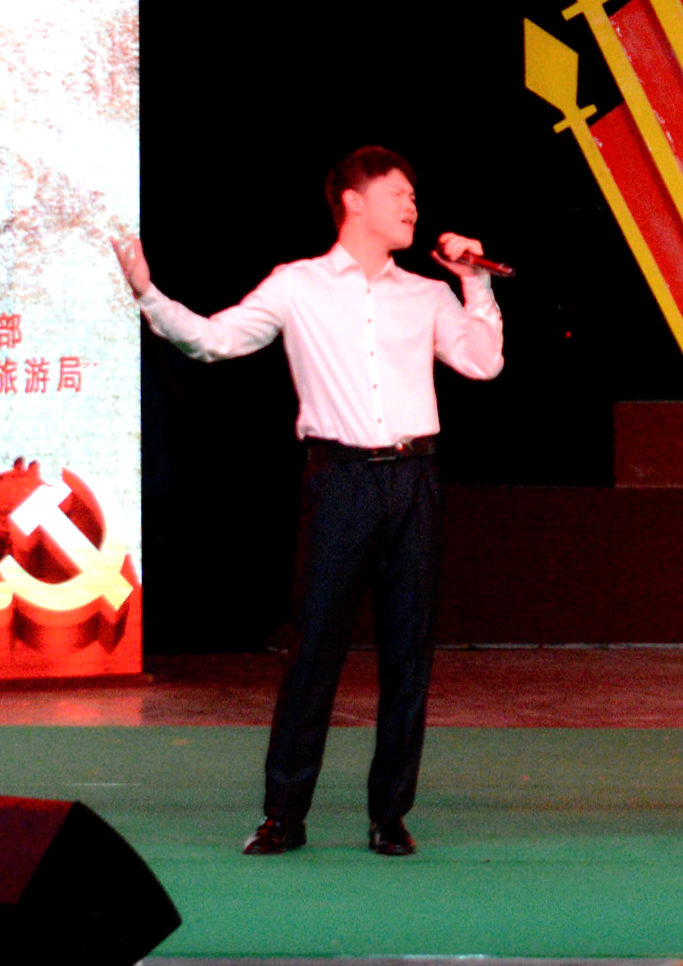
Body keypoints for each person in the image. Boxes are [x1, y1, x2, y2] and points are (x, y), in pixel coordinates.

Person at [112, 145, 502, 858]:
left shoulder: (427, 294)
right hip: (340, 479)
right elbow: (215, 341)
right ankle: (283, 815)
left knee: (408, 653)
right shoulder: (297, 284)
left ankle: (390, 816)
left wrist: (474, 281)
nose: (412, 207)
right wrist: (148, 294)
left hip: (415, 479)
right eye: (399, 194)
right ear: (354, 200)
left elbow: (482, 361)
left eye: (414, 197)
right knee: (315, 649)